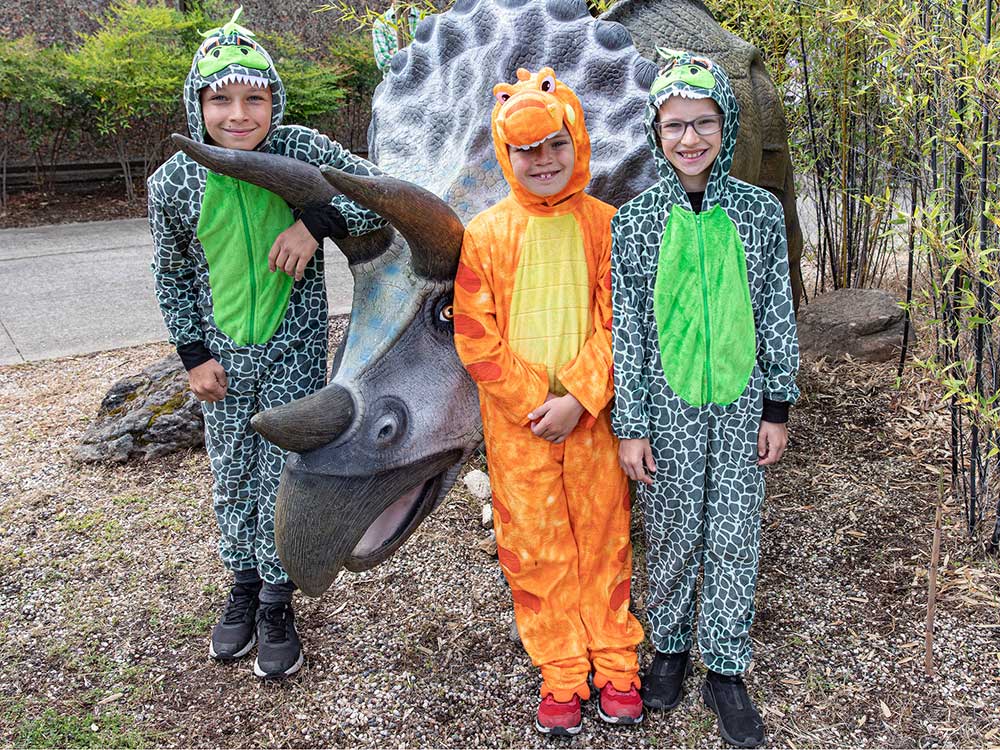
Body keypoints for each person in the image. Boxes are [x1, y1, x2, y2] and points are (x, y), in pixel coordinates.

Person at [148, 8, 384, 679]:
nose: (238, 115)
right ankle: (243, 585)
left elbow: (375, 190)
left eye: (254, 99)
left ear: (274, 99)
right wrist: (193, 356)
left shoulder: (300, 149)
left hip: (292, 350)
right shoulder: (174, 182)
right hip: (222, 360)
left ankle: (278, 601)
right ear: (197, 104)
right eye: (220, 100)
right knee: (232, 473)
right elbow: (171, 273)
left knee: (285, 469)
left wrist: (315, 222)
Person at [610, 53, 799, 749]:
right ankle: (668, 649)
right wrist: (631, 424)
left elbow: (776, 310)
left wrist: (777, 406)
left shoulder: (758, 213)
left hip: (742, 404)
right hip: (668, 410)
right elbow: (627, 330)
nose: (690, 139)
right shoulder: (634, 222)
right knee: (672, 529)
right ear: (655, 131)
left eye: (703, 122)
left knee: (734, 534)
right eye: (675, 126)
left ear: (727, 123)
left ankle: (724, 665)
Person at [453, 67, 644, 736]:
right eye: (526, 150)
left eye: (555, 145)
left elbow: (622, 321)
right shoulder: (485, 234)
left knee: (603, 537)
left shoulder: (607, 226)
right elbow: (475, 334)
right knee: (535, 546)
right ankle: (561, 667)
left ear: (577, 140)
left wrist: (580, 399)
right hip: (520, 427)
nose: (543, 161)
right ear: (505, 154)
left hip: (592, 420)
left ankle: (615, 658)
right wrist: (538, 402)